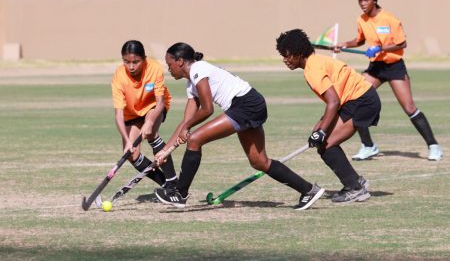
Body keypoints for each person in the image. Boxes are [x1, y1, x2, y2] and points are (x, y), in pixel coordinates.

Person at [154, 42, 324, 210]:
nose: (169, 69)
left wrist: (187, 128)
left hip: (245, 104)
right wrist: (165, 151)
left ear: (180, 61)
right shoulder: (191, 84)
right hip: (249, 104)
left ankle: (180, 194)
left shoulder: (198, 69)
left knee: (194, 139)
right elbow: (186, 121)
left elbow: (207, 109)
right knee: (259, 162)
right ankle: (309, 190)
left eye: (169, 65)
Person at [335, 0, 443, 161]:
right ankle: (368, 146)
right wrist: (344, 45)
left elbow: (402, 44)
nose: (362, 3)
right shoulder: (361, 20)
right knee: (355, 98)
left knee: (409, 108)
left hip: (394, 66)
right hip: (375, 68)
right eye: (360, 0)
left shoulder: (389, 19)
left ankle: (433, 146)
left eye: (366, 0)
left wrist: (380, 47)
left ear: (374, 0)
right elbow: (360, 40)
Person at [276, 28, 377, 203]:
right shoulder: (315, 62)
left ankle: (355, 188)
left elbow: (333, 102)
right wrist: (319, 127)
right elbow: (335, 102)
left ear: (299, 53)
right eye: (283, 55)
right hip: (356, 100)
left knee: (326, 145)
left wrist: (322, 132)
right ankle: (355, 181)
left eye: (288, 55)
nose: (285, 60)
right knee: (323, 139)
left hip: (360, 102)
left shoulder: (312, 69)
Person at [111, 40, 178, 193]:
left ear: (144, 59)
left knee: (152, 134)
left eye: (136, 61)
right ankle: (165, 184)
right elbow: (118, 114)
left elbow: (160, 102)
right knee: (131, 155)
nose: (131, 66)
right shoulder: (119, 77)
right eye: (126, 62)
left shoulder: (154, 68)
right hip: (131, 113)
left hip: (153, 106)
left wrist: (149, 121)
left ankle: (173, 182)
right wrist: (128, 141)